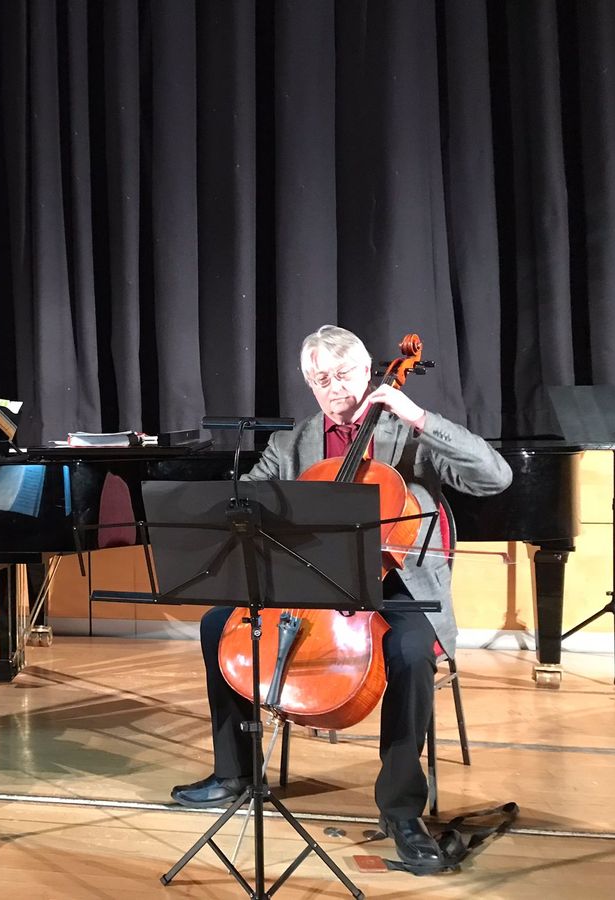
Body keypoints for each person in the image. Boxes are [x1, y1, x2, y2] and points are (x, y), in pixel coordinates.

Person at [170, 325, 512, 873]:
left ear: (368, 371)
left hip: (397, 590)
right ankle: (233, 772)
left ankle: (400, 810)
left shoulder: (410, 434)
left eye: (345, 373)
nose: (336, 387)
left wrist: (417, 415)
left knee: (407, 654)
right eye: (321, 379)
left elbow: (495, 477)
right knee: (220, 625)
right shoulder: (294, 443)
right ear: (310, 385)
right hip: (312, 587)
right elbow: (252, 499)